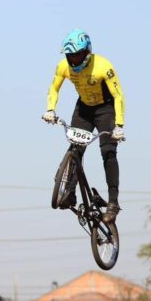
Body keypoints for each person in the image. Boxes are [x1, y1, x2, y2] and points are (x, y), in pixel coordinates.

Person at [42, 28, 125, 223]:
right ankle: (69, 193)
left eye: (78, 55)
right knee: (75, 149)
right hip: (84, 109)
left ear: (87, 52)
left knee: (108, 152)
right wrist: (50, 109)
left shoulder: (103, 66)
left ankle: (113, 202)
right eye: (71, 55)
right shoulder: (63, 66)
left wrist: (119, 125)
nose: (74, 59)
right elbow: (54, 88)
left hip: (106, 109)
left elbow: (118, 95)